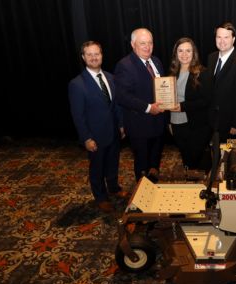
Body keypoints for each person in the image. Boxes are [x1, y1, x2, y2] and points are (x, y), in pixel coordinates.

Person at [68, 41, 127, 213]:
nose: (94, 57)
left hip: (114, 132)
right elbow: (78, 115)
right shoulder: (77, 84)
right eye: (90, 54)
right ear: (83, 57)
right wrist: (86, 138)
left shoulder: (110, 77)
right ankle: (100, 197)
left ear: (102, 55)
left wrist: (121, 125)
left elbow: (116, 105)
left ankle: (114, 188)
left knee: (113, 163)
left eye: (97, 54)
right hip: (95, 136)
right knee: (97, 168)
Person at [114, 28, 166, 183]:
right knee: (142, 165)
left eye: (150, 43)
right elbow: (123, 97)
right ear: (133, 44)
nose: (147, 46)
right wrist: (149, 107)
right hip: (140, 126)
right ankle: (142, 199)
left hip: (158, 123)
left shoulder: (156, 61)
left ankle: (153, 191)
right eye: (142, 43)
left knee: (155, 163)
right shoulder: (124, 65)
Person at [168, 37, 213, 172]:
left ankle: (199, 185)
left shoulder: (202, 73)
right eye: (180, 51)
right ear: (176, 53)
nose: (184, 54)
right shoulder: (172, 74)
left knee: (195, 159)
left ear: (194, 53)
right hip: (176, 123)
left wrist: (182, 106)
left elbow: (206, 101)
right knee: (185, 156)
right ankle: (190, 180)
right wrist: (169, 122)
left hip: (196, 125)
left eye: (188, 51)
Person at [207, 22, 236, 142]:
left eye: (226, 37)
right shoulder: (211, 58)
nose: (222, 41)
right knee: (214, 153)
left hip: (229, 123)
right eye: (219, 37)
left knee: (227, 157)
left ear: (233, 39)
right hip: (212, 119)